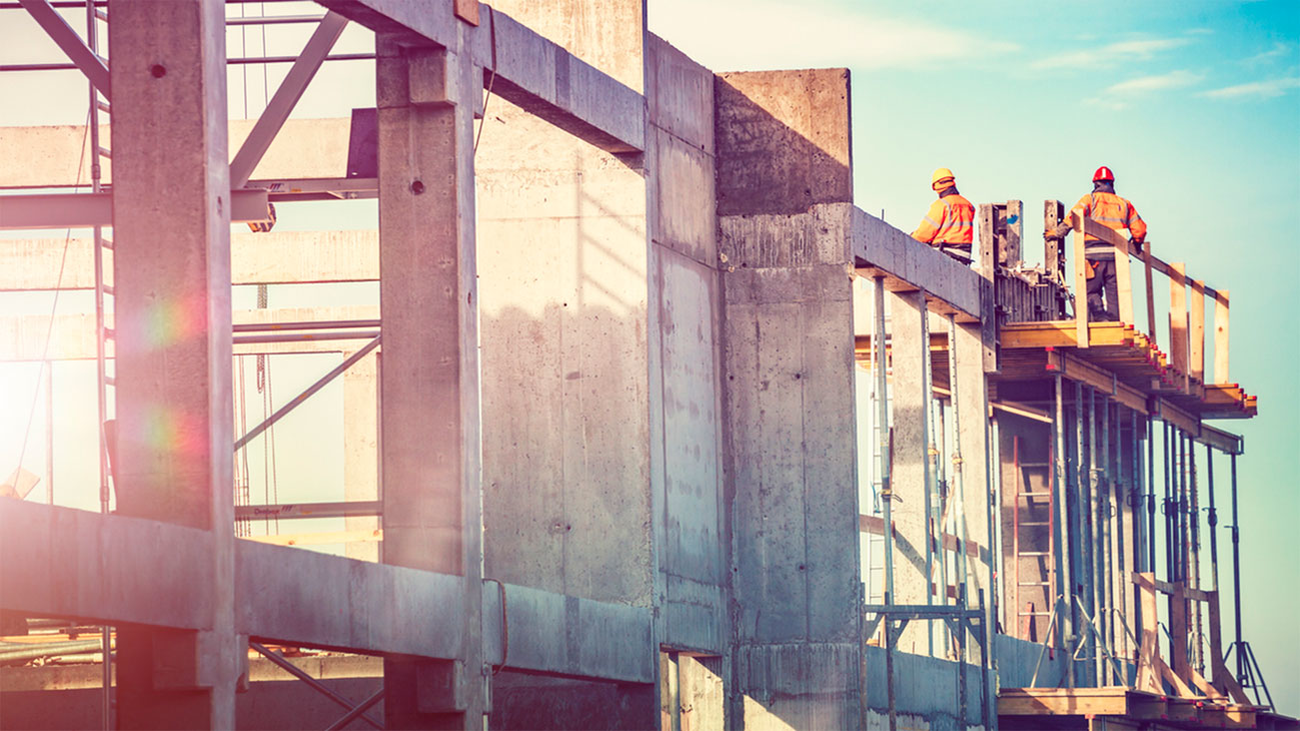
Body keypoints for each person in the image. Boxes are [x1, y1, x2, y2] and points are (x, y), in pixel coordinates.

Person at [1048, 166, 1147, 322]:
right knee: (1115, 294)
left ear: (1096, 184)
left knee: (1090, 291)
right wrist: (1136, 243)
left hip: (1093, 256)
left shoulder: (1090, 200)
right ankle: (1114, 323)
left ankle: (1100, 318)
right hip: (1116, 257)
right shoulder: (1124, 204)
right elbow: (1139, 230)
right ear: (1112, 184)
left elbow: (1074, 217)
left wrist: (1057, 232)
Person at [911, 167, 976, 264]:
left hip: (945, 252)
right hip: (965, 255)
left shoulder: (941, 205)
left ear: (935, 186)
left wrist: (910, 238)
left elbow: (925, 233)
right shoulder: (968, 205)